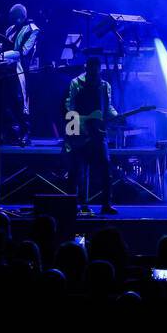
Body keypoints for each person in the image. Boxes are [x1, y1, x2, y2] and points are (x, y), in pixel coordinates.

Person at [65, 57, 118, 215]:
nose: (94, 71)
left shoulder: (105, 86)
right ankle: (76, 204)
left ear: (99, 68)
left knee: (105, 167)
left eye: (96, 68)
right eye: (91, 67)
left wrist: (116, 116)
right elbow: (70, 106)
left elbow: (108, 107)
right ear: (86, 67)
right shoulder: (76, 83)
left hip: (98, 134)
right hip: (80, 132)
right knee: (76, 170)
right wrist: (75, 132)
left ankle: (106, 204)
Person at [2, 3, 39, 142]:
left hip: (21, 69)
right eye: (12, 18)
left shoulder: (33, 29)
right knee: (6, 101)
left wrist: (2, 55)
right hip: (6, 69)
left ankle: (25, 132)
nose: (14, 20)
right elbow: (3, 45)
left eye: (17, 17)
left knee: (21, 100)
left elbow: (23, 51)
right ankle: (11, 132)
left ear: (24, 16)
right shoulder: (10, 29)